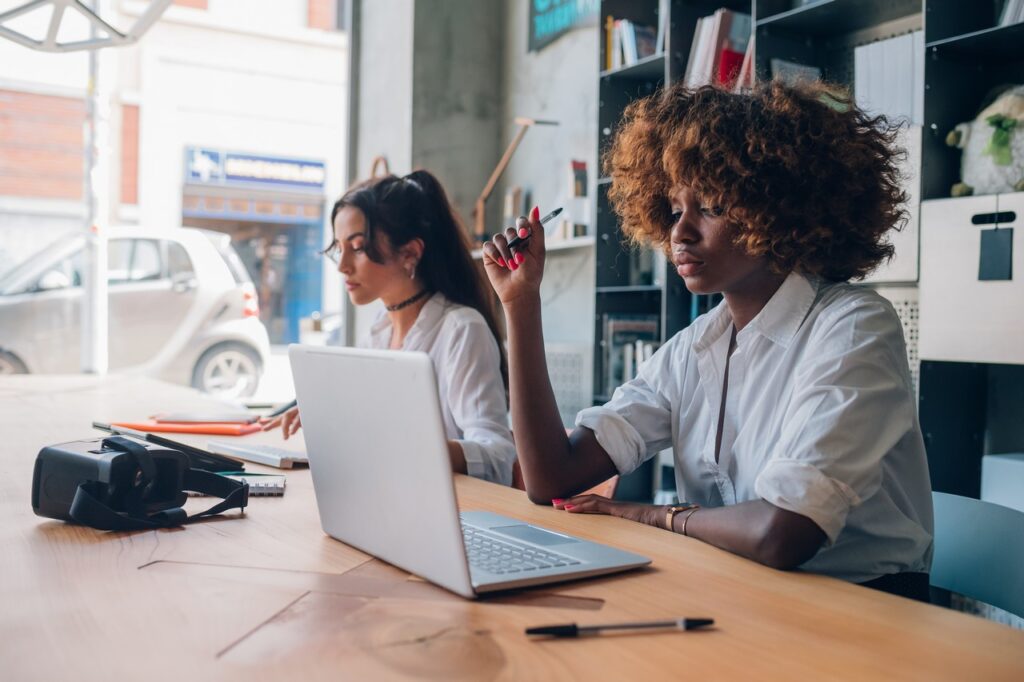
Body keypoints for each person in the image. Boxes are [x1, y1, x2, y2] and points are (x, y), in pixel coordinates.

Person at [482, 80, 933, 600]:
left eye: (712, 206)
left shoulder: (852, 327)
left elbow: (783, 532)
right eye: (675, 209)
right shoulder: (695, 347)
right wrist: (521, 304)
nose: (681, 232)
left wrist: (650, 515)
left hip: (864, 610)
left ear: (782, 210)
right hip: (741, 596)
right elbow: (550, 478)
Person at [264, 170, 516, 485]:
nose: (342, 266)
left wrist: (413, 448)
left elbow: (498, 457)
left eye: (356, 247)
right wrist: (330, 416)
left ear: (410, 253)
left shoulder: (461, 329)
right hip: (392, 498)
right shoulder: (380, 331)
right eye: (338, 248)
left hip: (452, 513)